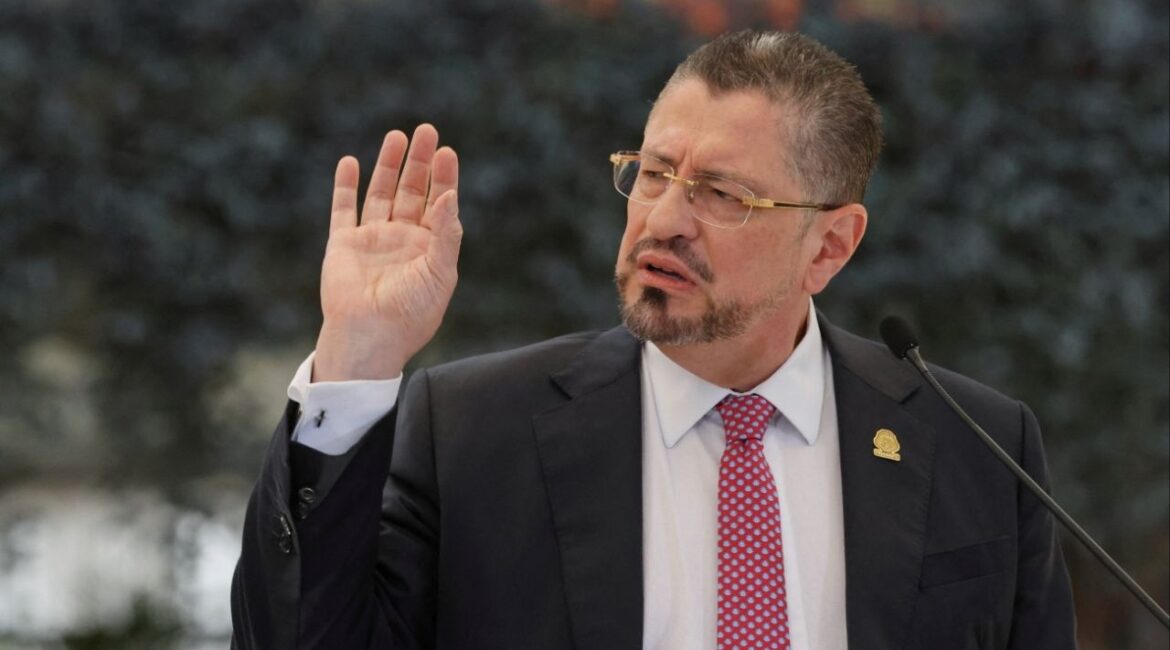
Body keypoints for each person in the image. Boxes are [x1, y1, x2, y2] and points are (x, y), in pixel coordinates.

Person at [231, 30, 1077, 650]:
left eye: (722, 194)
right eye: (654, 173)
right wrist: (360, 357)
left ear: (830, 245)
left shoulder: (977, 446)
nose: (664, 218)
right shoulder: (473, 430)